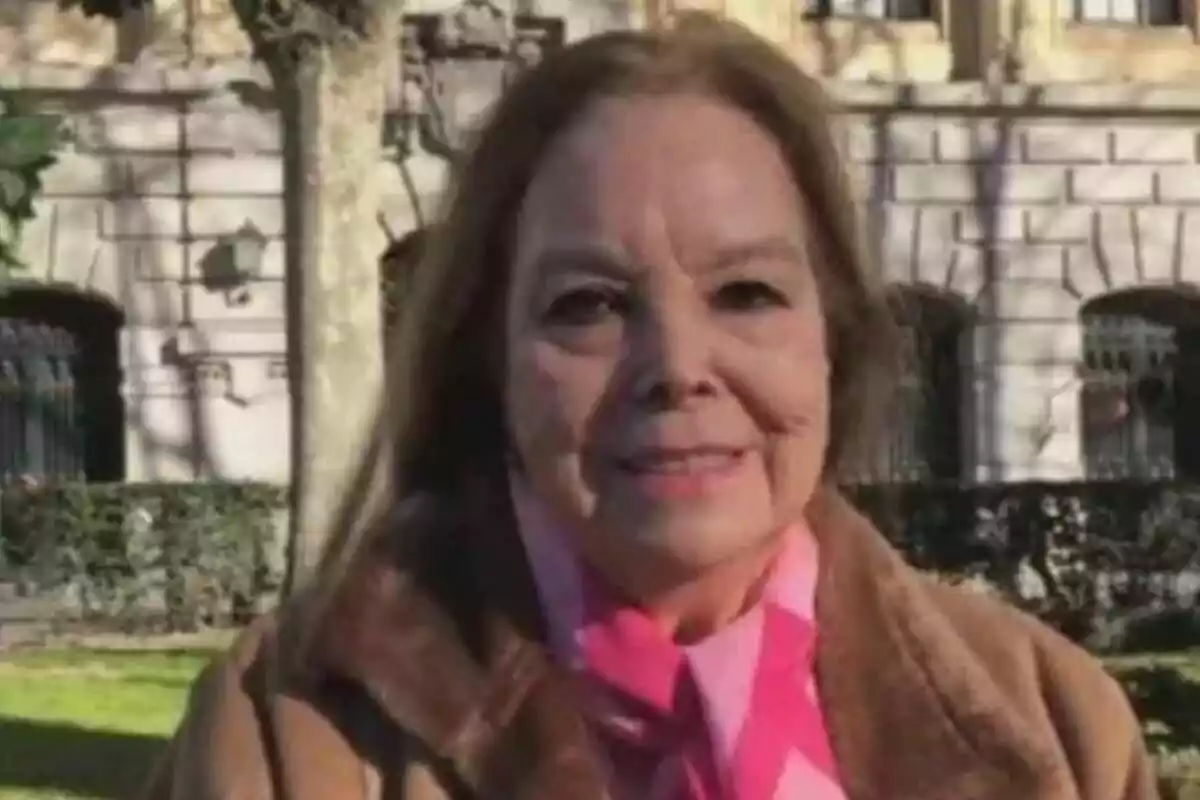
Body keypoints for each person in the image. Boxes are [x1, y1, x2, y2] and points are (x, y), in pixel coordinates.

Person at [143, 13, 1156, 800]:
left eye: (747, 292)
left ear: (832, 339)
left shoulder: (1055, 724)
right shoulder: (289, 732)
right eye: (587, 304)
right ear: (488, 354)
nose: (677, 365)